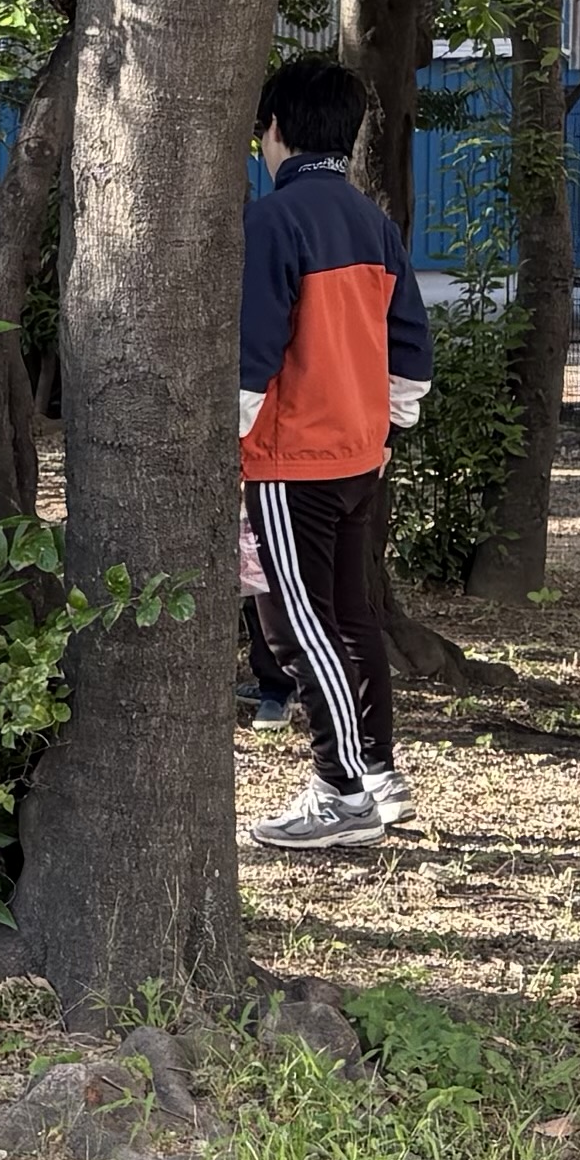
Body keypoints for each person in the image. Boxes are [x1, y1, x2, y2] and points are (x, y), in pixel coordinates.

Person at [238, 49, 432, 851]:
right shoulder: (372, 220)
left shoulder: (272, 220)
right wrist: (387, 429)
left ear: (274, 129)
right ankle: (376, 772)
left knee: (294, 628)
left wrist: (225, 440)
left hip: (291, 458)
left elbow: (253, 353)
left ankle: (342, 791)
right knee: (351, 618)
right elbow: (412, 349)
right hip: (358, 454)